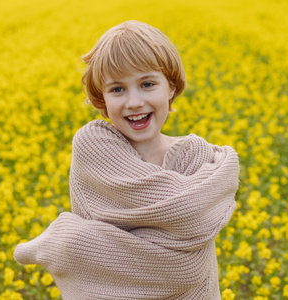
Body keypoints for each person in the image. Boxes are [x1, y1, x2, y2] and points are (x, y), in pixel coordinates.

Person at [14, 20, 240, 299]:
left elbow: (187, 269)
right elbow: (179, 259)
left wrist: (68, 245)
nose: (134, 102)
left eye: (147, 84)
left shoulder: (198, 156)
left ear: (171, 87)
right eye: (117, 89)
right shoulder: (94, 147)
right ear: (102, 100)